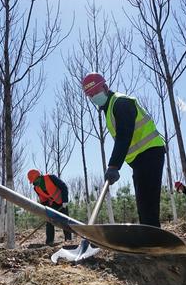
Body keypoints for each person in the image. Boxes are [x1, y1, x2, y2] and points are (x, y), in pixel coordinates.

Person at [82, 73, 166, 227]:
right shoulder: (109, 108)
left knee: (148, 204)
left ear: (105, 87)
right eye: (90, 95)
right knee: (143, 204)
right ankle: (149, 241)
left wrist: (114, 166)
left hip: (150, 152)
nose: (94, 97)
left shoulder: (121, 103)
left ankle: (154, 245)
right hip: (140, 159)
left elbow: (124, 135)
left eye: (96, 92)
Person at [27, 169, 72, 246]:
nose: (34, 184)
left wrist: (65, 200)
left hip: (62, 202)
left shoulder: (51, 177)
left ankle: (68, 240)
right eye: (33, 183)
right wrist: (45, 210)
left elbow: (63, 187)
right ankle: (49, 242)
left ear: (39, 177)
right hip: (52, 204)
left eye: (35, 181)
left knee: (65, 221)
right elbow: (43, 199)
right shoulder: (36, 188)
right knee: (49, 222)